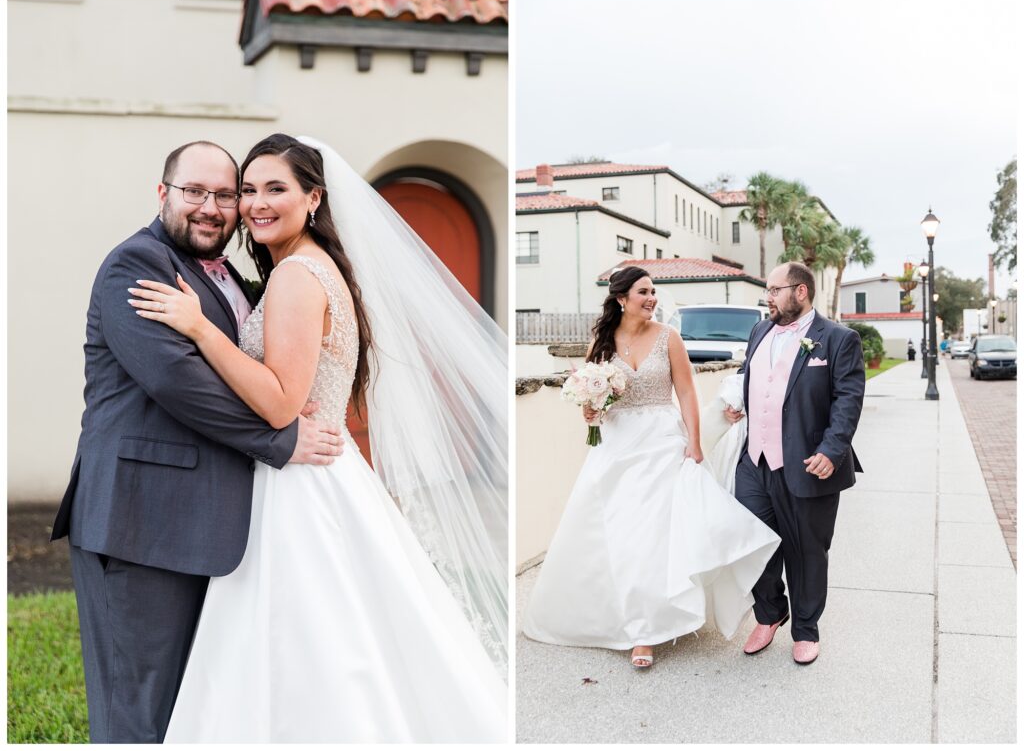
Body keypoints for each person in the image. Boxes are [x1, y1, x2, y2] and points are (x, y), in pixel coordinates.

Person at [127, 134, 507, 742]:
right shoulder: (313, 269)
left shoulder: (297, 278)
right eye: (247, 190)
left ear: (314, 197)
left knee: (309, 641)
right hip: (324, 473)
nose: (255, 204)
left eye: (275, 189)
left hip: (301, 487)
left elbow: (280, 402)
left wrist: (200, 327)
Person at [50, 140, 344, 743]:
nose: (212, 207)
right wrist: (281, 440)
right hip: (141, 520)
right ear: (163, 194)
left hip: (208, 520)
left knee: (195, 703)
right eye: (195, 192)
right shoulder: (136, 265)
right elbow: (175, 381)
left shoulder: (237, 273)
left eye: (225, 195)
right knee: (140, 708)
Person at [521, 266, 780, 669]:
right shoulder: (602, 341)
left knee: (653, 536)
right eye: (644, 292)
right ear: (622, 299)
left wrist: (694, 443)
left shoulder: (669, 338)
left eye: (654, 291)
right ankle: (613, 615)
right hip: (616, 446)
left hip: (662, 443)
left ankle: (645, 632)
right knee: (618, 536)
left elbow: (688, 393)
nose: (652, 298)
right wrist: (591, 409)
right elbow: (591, 405)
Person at [725, 262, 864, 665]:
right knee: (753, 544)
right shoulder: (758, 331)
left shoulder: (838, 339)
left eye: (773, 290)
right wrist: (737, 403)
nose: (767, 297)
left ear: (800, 292)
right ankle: (770, 613)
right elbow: (748, 374)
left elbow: (847, 400)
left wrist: (831, 450)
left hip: (807, 462)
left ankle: (806, 629)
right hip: (754, 461)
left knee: (807, 551)